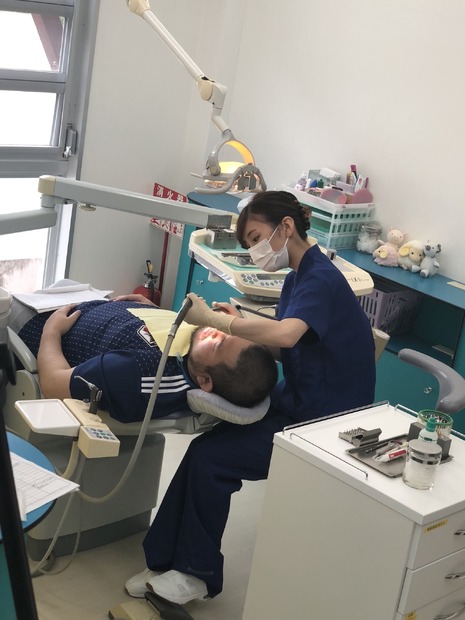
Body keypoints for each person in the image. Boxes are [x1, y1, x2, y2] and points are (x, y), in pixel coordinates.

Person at [126, 190, 376, 604]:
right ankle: (163, 561)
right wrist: (238, 322)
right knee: (201, 448)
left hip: (326, 424)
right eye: (248, 245)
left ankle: (196, 575)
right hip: (300, 399)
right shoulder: (297, 278)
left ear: (286, 227)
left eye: (256, 238)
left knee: (213, 459)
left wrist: (220, 322)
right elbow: (289, 348)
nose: (255, 251)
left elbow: (287, 335)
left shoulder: (321, 279)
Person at [13, 295, 278, 423]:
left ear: (205, 381)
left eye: (219, 342)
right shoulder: (194, 351)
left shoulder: (137, 375)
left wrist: (51, 331)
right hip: (68, 302)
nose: (218, 330)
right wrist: (152, 311)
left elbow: (53, 384)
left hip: (32, 329)